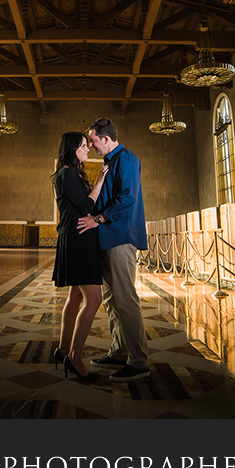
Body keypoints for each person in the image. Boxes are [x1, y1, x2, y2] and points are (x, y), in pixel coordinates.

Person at [77, 117, 150, 382]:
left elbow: (127, 197)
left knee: (126, 299)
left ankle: (139, 361)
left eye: (94, 141)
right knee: (110, 299)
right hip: (107, 238)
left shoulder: (127, 159)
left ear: (106, 139)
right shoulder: (110, 161)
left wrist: (97, 219)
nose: (93, 146)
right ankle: (119, 351)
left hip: (121, 237)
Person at [52, 131, 108, 382]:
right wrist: (98, 184)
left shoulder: (70, 173)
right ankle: (74, 357)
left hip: (78, 238)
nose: (88, 150)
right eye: (84, 146)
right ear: (73, 148)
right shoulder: (66, 173)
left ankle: (63, 350)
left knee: (76, 296)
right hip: (77, 239)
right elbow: (86, 207)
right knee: (93, 299)